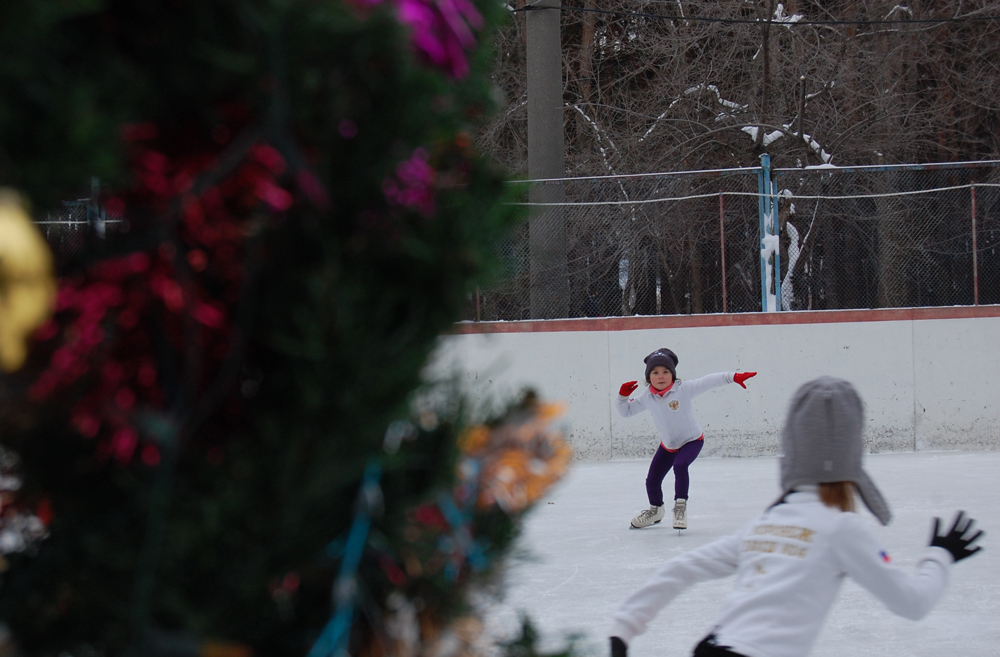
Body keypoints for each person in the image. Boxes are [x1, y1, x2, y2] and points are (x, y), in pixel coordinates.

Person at [608, 376, 984, 657]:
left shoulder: (765, 524)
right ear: (852, 457)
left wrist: (624, 628)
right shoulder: (842, 529)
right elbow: (912, 602)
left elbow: (681, 568)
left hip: (711, 647)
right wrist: (940, 555)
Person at [616, 348, 756, 529]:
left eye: (666, 372)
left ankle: (680, 508)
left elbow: (709, 380)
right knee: (652, 480)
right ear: (648, 377)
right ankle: (656, 511)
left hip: (692, 441)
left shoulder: (683, 389)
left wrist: (733, 377)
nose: (661, 376)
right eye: (655, 372)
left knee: (680, 465)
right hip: (668, 446)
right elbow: (626, 411)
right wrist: (622, 396)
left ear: (673, 375)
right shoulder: (646, 397)